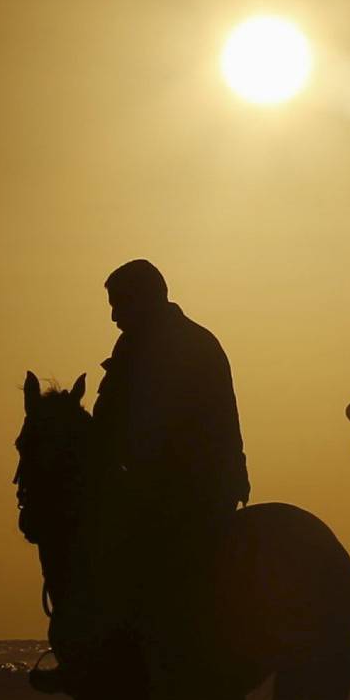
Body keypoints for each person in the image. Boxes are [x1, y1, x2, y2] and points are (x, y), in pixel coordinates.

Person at [89, 260, 249, 674]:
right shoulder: (135, 345)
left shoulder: (187, 345)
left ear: (144, 299)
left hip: (191, 485)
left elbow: (169, 423)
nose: (113, 315)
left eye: (119, 304)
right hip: (160, 479)